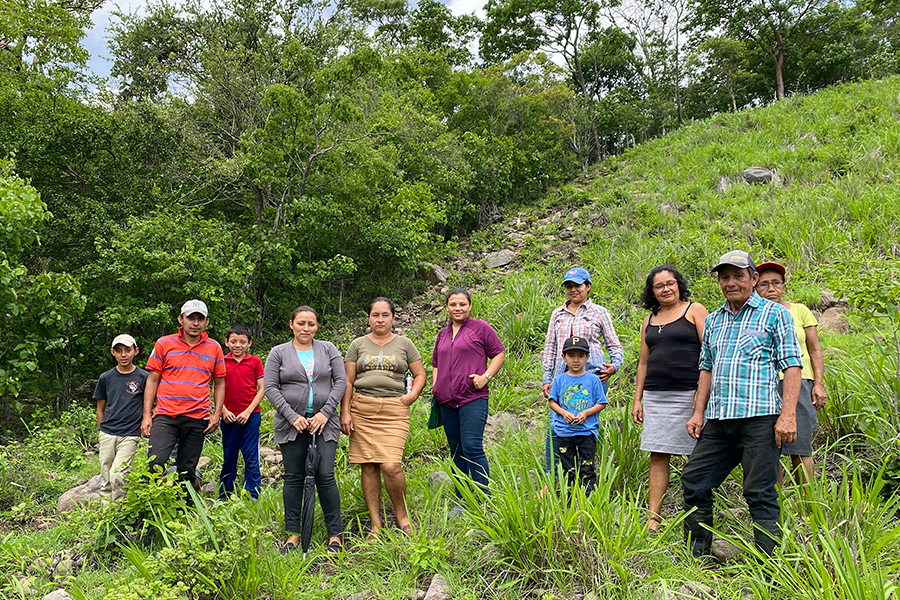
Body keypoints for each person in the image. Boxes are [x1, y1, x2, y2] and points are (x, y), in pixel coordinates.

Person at [681, 251, 803, 558]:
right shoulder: (713, 320)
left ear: (753, 278)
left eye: (738, 275)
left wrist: (788, 414)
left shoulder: (774, 314)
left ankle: (769, 567)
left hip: (760, 418)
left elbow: (792, 365)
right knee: (694, 480)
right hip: (720, 420)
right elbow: (706, 367)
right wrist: (698, 412)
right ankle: (698, 556)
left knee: (759, 492)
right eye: (725, 277)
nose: (731, 283)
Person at [340, 298, 426, 538]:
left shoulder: (404, 344)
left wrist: (412, 395)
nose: (380, 320)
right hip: (362, 408)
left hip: (393, 410)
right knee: (368, 466)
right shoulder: (357, 345)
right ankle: (375, 525)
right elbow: (347, 380)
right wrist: (345, 411)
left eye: (385, 315)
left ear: (393, 318)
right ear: (368, 318)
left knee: (391, 465)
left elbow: (419, 374)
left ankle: (402, 516)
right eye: (375, 315)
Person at [632, 266, 708, 532]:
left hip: (690, 394)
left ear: (679, 285)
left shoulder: (694, 310)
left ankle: (697, 515)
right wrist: (637, 399)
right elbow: (643, 362)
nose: (666, 289)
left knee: (696, 457)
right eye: (659, 286)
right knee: (658, 455)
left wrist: (703, 393)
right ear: (651, 292)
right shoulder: (648, 320)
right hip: (655, 396)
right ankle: (654, 518)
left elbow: (710, 352)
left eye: (670, 283)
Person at [265, 306, 347, 554]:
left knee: (325, 474)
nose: (306, 328)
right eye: (301, 323)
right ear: (291, 324)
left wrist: (326, 412)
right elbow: (270, 387)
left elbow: (341, 381)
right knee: (293, 476)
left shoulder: (328, 349)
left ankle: (335, 535)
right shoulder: (278, 352)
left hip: (325, 422)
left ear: (316, 326)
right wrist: (292, 416)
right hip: (291, 425)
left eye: (311, 324)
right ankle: (293, 534)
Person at [542, 267, 623, 474]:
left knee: (586, 423)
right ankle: (555, 476)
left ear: (587, 286)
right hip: (563, 378)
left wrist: (614, 366)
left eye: (577, 285)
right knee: (557, 425)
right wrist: (546, 378)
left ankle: (585, 474)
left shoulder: (599, 313)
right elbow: (551, 347)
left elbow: (613, 344)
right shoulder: (557, 314)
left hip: (594, 377)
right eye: (569, 286)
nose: (573, 290)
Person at [431, 288, 505, 513]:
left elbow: (499, 354)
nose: (457, 308)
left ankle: (485, 498)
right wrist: (436, 387)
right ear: (447, 307)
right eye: (453, 304)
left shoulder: (480, 328)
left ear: (470, 306)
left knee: (472, 447)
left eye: (462, 304)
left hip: (473, 397)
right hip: (446, 401)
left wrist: (486, 377)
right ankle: (461, 499)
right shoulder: (442, 334)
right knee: (456, 450)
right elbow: (436, 363)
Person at [142, 299, 226, 491]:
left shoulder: (214, 348)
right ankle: (150, 510)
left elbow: (219, 382)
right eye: (191, 318)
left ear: (206, 322)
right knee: (156, 462)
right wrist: (147, 415)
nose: (195, 323)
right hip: (166, 415)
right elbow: (152, 379)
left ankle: (185, 511)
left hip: (197, 416)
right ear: (181, 319)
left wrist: (216, 414)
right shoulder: (164, 343)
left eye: (200, 318)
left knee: (187, 469)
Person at [756, 262, 827, 485]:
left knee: (801, 445)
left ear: (784, 287)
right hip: (762, 385)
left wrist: (819, 384)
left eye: (776, 283)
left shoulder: (799, 310)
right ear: (754, 288)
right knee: (769, 449)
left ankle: (808, 508)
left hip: (799, 383)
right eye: (764, 284)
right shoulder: (752, 315)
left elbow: (815, 350)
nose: (771, 289)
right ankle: (775, 507)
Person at [547, 336, 608, 494]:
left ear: (587, 358)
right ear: (564, 358)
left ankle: (588, 499)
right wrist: (563, 412)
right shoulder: (559, 380)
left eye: (581, 356)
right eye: (571, 355)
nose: (576, 360)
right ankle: (569, 499)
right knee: (568, 468)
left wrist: (586, 413)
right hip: (564, 432)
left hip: (586, 431)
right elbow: (552, 401)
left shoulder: (593, 380)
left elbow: (601, 403)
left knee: (587, 466)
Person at [94, 334, 149, 502]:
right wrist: (101, 428)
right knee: (106, 477)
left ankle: (119, 513)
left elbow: (149, 403)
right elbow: (100, 407)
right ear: (113, 352)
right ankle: (106, 515)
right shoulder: (106, 378)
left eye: (127, 350)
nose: (123, 355)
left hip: (130, 434)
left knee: (118, 474)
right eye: (118, 351)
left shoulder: (143, 377)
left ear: (135, 351)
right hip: (108, 432)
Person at [219, 324, 265, 500]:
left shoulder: (255, 362)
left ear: (249, 343)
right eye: (233, 341)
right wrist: (223, 410)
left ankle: (252, 494)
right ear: (227, 342)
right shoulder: (221, 361)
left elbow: (261, 389)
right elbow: (216, 388)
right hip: (228, 417)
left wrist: (247, 411)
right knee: (229, 455)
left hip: (251, 416)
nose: (238, 345)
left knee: (251, 455)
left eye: (242, 342)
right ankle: (224, 494)